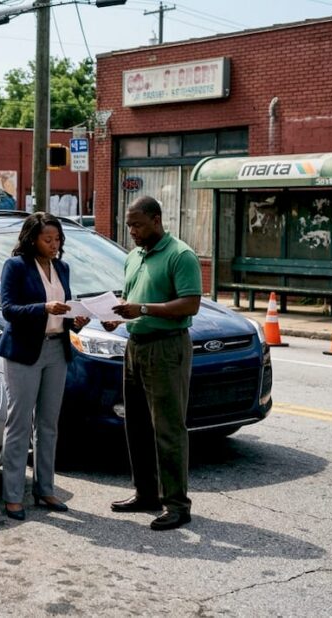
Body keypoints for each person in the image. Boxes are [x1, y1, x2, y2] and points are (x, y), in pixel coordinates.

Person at [104, 195, 202, 531]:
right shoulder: (133, 256)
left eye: (137, 224)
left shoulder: (180, 255)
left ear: (156, 220)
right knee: (137, 426)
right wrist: (117, 316)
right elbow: (131, 299)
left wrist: (143, 309)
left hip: (167, 347)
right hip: (135, 345)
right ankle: (145, 493)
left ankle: (176, 504)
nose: (131, 230)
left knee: (168, 428)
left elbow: (190, 304)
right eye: (129, 224)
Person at [0, 213, 89, 520]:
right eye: (47, 239)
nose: (54, 245)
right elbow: (8, 309)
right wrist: (44, 308)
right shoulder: (16, 266)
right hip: (24, 352)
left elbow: (64, 311)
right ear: (32, 238)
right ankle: (12, 496)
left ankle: (45, 489)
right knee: (19, 423)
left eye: (58, 239)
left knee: (48, 425)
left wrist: (75, 319)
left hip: (56, 349)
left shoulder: (62, 267)